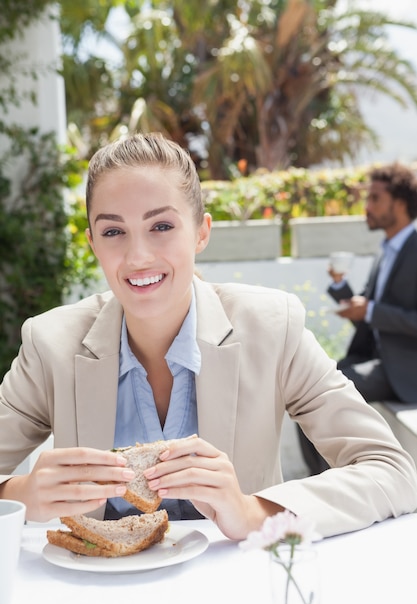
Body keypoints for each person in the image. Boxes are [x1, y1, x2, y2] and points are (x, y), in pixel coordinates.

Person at [0, 135, 416, 541]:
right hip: (93, 600)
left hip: (240, 599)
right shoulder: (49, 343)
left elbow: (392, 470)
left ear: (201, 232)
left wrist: (252, 511)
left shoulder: (272, 327)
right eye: (113, 232)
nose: (138, 256)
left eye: (161, 225)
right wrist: (19, 494)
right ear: (92, 242)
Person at [298, 162, 417, 475]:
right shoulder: (387, 250)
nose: (367, 207)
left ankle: (329, 485)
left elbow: (379, 313)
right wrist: (341, 289)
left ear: (400, 204)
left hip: (404, 370)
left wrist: (372, 311)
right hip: (377, 361)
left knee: (318, 398)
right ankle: (322, 481)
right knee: (307, 386)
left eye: (375, 199)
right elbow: (369, 314)